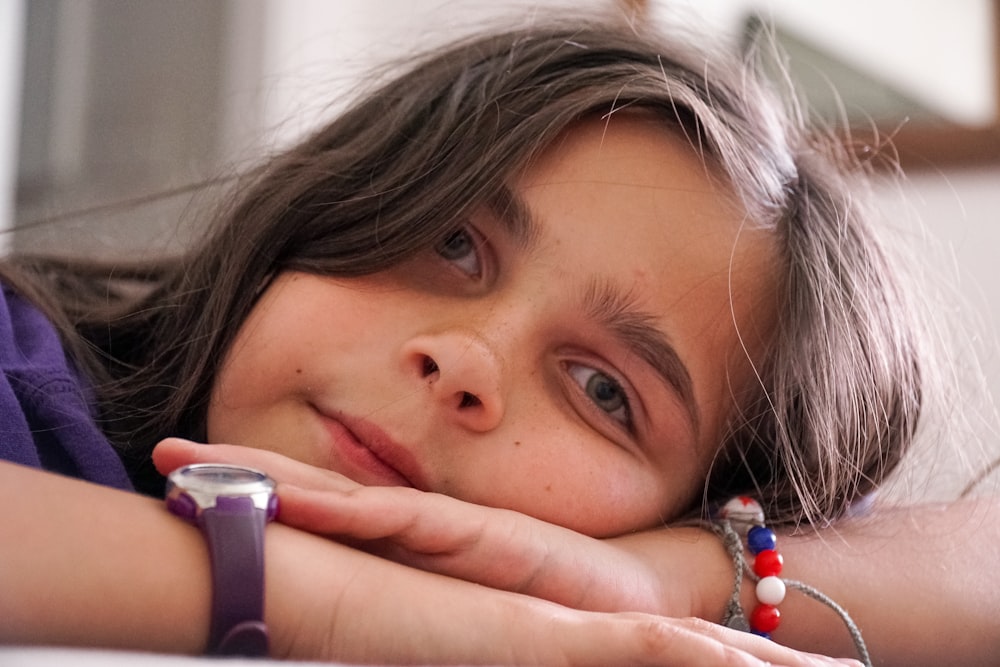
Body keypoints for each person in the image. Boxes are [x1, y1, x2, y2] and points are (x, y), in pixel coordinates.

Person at [1, 16, 997, 666]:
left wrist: (668, 579)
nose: (465, 363)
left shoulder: (680, 558)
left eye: (604, 390)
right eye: (453, 243)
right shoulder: (21, 373)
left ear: (688, 504)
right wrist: (324, 597)